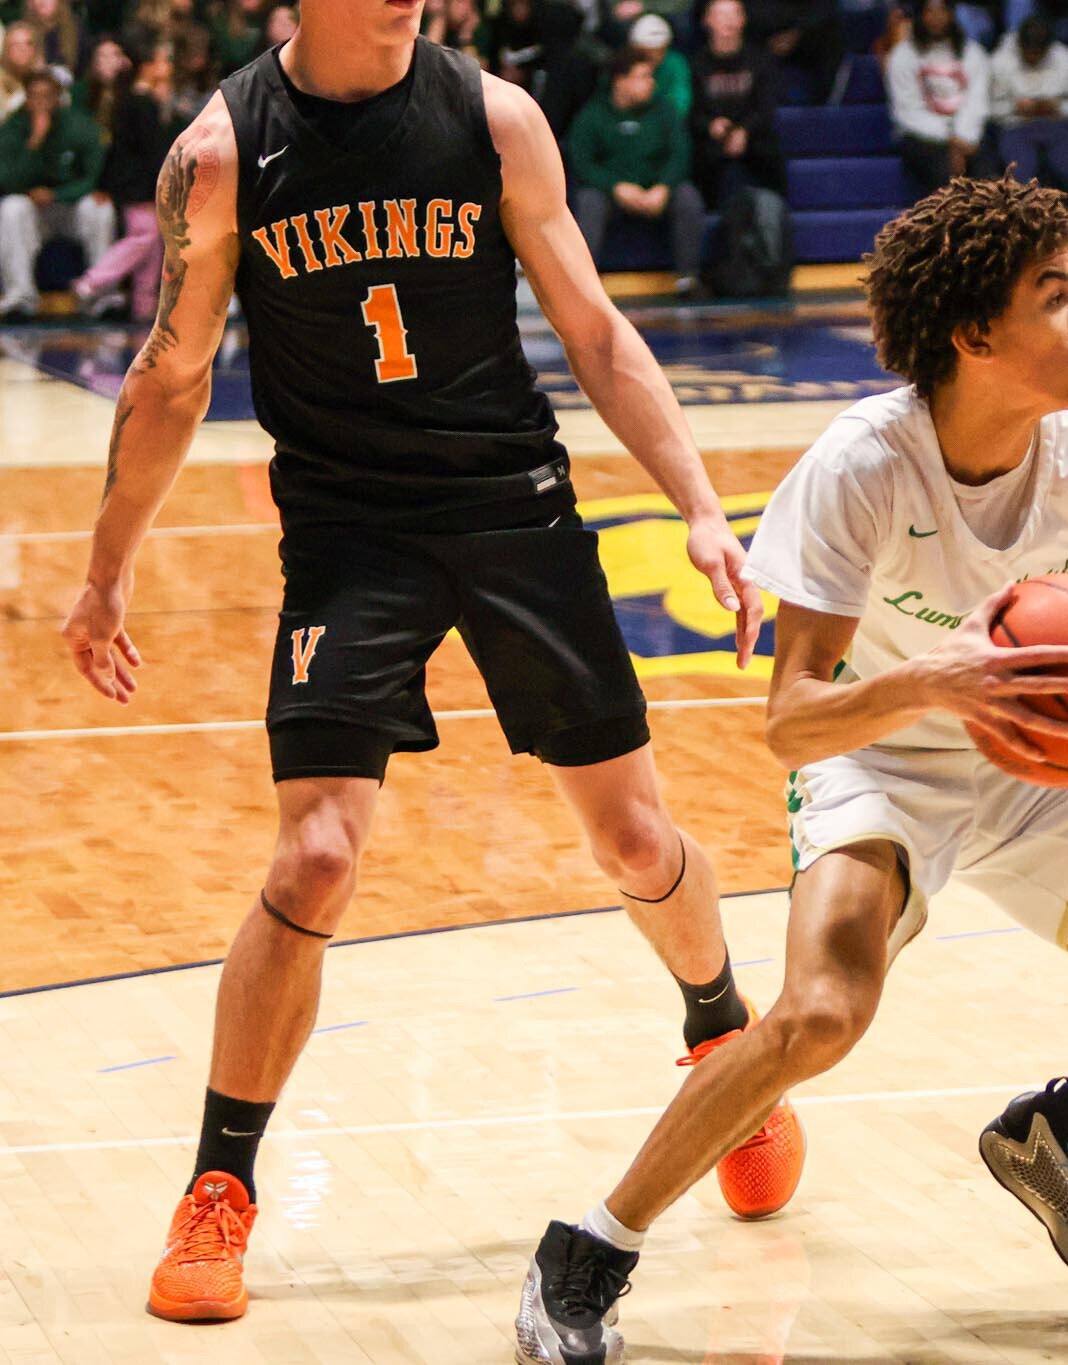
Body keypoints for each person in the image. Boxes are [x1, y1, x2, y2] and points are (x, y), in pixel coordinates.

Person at [57, 0, 803, 1326]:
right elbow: (171, 377)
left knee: (635, 840)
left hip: (512, 507)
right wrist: (108, 567)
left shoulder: (495, 120)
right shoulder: (222, 155)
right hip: (349, 535)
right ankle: (219, 1188)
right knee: (314, 859)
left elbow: (595, 330)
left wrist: (698, 505)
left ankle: (722, 1035)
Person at [514, 174, 1068, 1365]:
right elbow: (793, 723)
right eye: (1053, 296)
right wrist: (930, 686)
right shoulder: (860, 467)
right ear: (973, 337)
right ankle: (587, 1251)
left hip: (1033, 749)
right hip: (881, 759)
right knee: (819, 1015)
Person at [568, 46, 706, 296]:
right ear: (620, 81)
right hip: (614, 194)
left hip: (656, 191)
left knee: (687, 197)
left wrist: (663, 186)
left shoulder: (664, 110)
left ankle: (688, 279)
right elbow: (582, 162)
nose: (651, 83)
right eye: (643, 77)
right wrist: (615, 187)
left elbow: (680, 153)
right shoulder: (593, 114)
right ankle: (583, 286)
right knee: (589, 201)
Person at [990, 13, 1068, 285]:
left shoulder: (1067, 59)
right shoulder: (1000, 61)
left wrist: (1055, 107)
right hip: (1016, 126)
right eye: (1028, 53)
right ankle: (1022, 258)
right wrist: (1018, 108)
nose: (1033, 58)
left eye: (1038, 54)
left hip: (1059, 125)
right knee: (1019, 184)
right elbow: (994, 109)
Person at [71, 35, 177, 320]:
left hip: (142, 185)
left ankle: (144, 306)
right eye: (161, 60)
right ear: (146, 66)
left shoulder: (137, 99)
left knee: (153, 248)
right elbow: (151, 151)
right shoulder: (139, 102)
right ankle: (91, 281)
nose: (167, 66)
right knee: (144, 236)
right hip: (138, 186)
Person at [0, 68, 110, 317]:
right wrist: (34, 142)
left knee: (100, 209)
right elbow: (7, 180)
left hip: (71, 206)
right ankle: (20, 297)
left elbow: (93, 176)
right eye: (34, 96)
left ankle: (100, 296)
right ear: (26, 99)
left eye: (47, 96)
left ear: (58, 98)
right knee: (10, 208)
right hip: (33, 209)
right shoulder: (13, 127)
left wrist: (59, 195)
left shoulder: (79, 125)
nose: (41, 102)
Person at [886, 0, 992, 196]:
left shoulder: (972, 53)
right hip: (922, 134)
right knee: (944, 173)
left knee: (989, 174)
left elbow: (977, 102)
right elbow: (907, 111)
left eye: (942, 10)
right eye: (930, 11)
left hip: (968, 133)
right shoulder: (902, 55)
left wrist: (962, 137)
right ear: (920, 16)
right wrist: (950, 139)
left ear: (952, 14)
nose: (936, 17)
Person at [689, 0, 785, 201]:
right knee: (699, 157)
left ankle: (776, 208)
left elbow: (766, 106)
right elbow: (692, 110)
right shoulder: (695, 64)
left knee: (770, 154)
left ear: (743, 20)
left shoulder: (760, 61)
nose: (729, 21)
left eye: (734, 14)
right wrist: (710, 125)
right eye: (721, 15)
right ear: (707, 20)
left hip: (752, 135)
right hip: (711, 136)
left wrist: (744, 130)